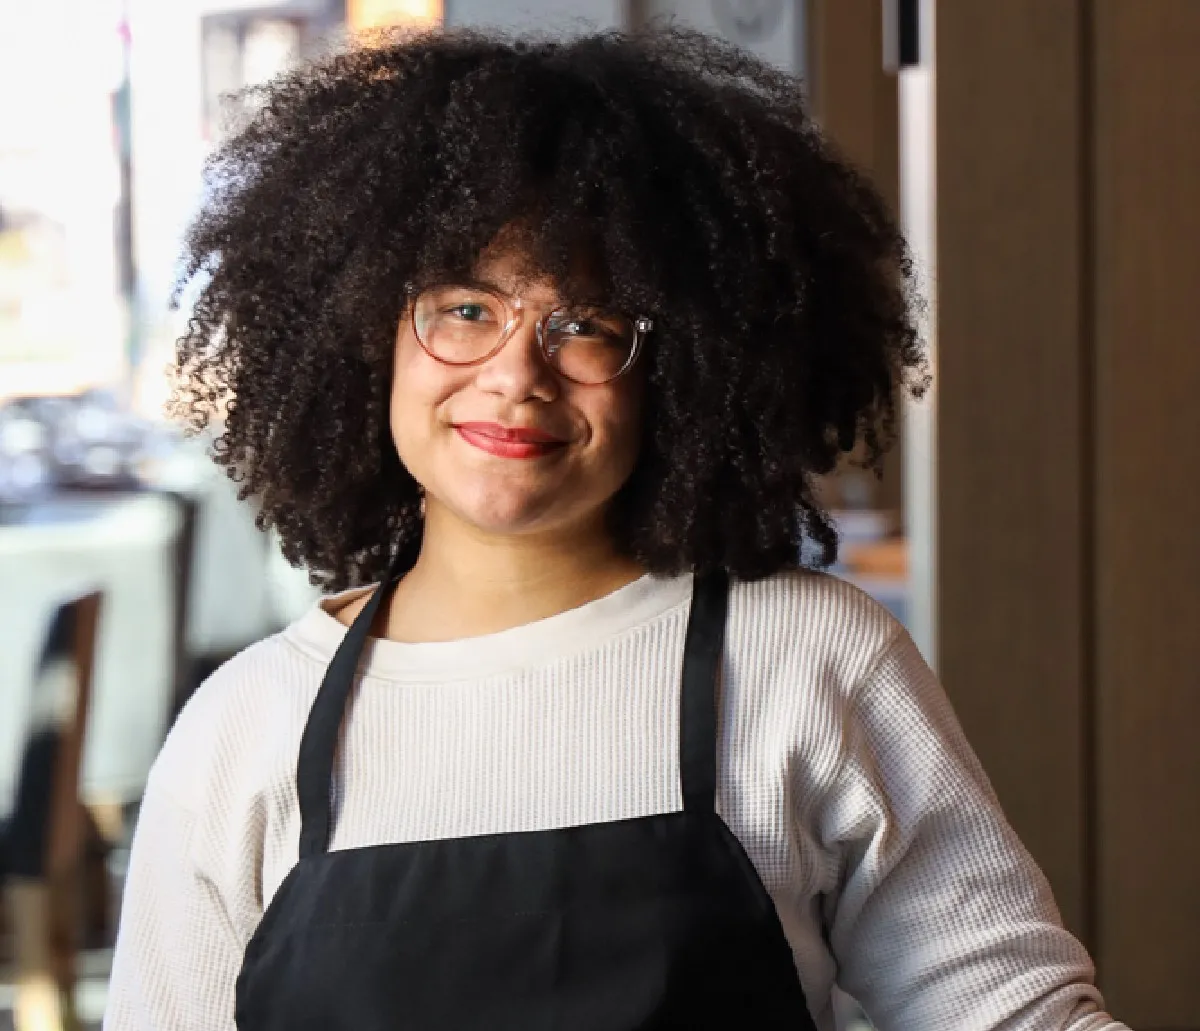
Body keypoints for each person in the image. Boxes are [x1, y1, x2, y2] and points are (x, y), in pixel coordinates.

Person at [104, 27, 1127, 1031]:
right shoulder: (246, 728)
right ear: (368, 334)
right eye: (465, 309)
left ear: (681, 373)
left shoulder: (807, 661)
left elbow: (1013, 1014)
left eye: (585, 325)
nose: (515, 375)